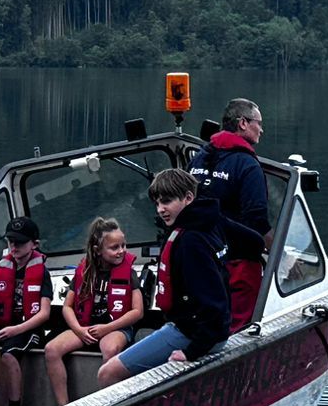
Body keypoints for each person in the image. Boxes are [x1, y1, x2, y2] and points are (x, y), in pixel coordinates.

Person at [97, 170, 229, 383]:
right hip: (199, 329)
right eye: (157, 204)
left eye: (166, 202)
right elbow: (253, 241)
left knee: (108, 373)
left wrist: (191, 352)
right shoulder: (212, 222)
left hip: (192, 333)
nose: (160, 210)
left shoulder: (190, 242)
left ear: (188, 198)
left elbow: (215, 305)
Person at [43, 217, 142, 406]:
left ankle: (105, 405)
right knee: (51, 349)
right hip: (86, 326)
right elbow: (67, 307)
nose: (121, 251)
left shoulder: (129, 272)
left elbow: (137, 312)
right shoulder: (84, 270)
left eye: (123, 245)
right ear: (98, 250)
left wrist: (107, 328)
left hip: (115, 326)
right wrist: (78, 330)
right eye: (114, 247)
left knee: (110, 349)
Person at [190, 97, 271, 332]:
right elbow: (257, 219)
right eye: (259, 123)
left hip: (199, 258)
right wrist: (280, 254)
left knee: (201, 322)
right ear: (243, 123)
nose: (261, 130)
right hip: (238, 263)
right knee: (237, 329)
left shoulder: (198, 158)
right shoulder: (247, 165)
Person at [0, 215, 51, 406]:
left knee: (8, 354)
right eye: (11, 241)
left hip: (28, 327)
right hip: (5, 323)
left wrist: (16, 330)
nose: (14, 246)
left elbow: (44, 314)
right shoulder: (2, 267)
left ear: (35, 244)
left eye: (20, 242)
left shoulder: (42, 273)